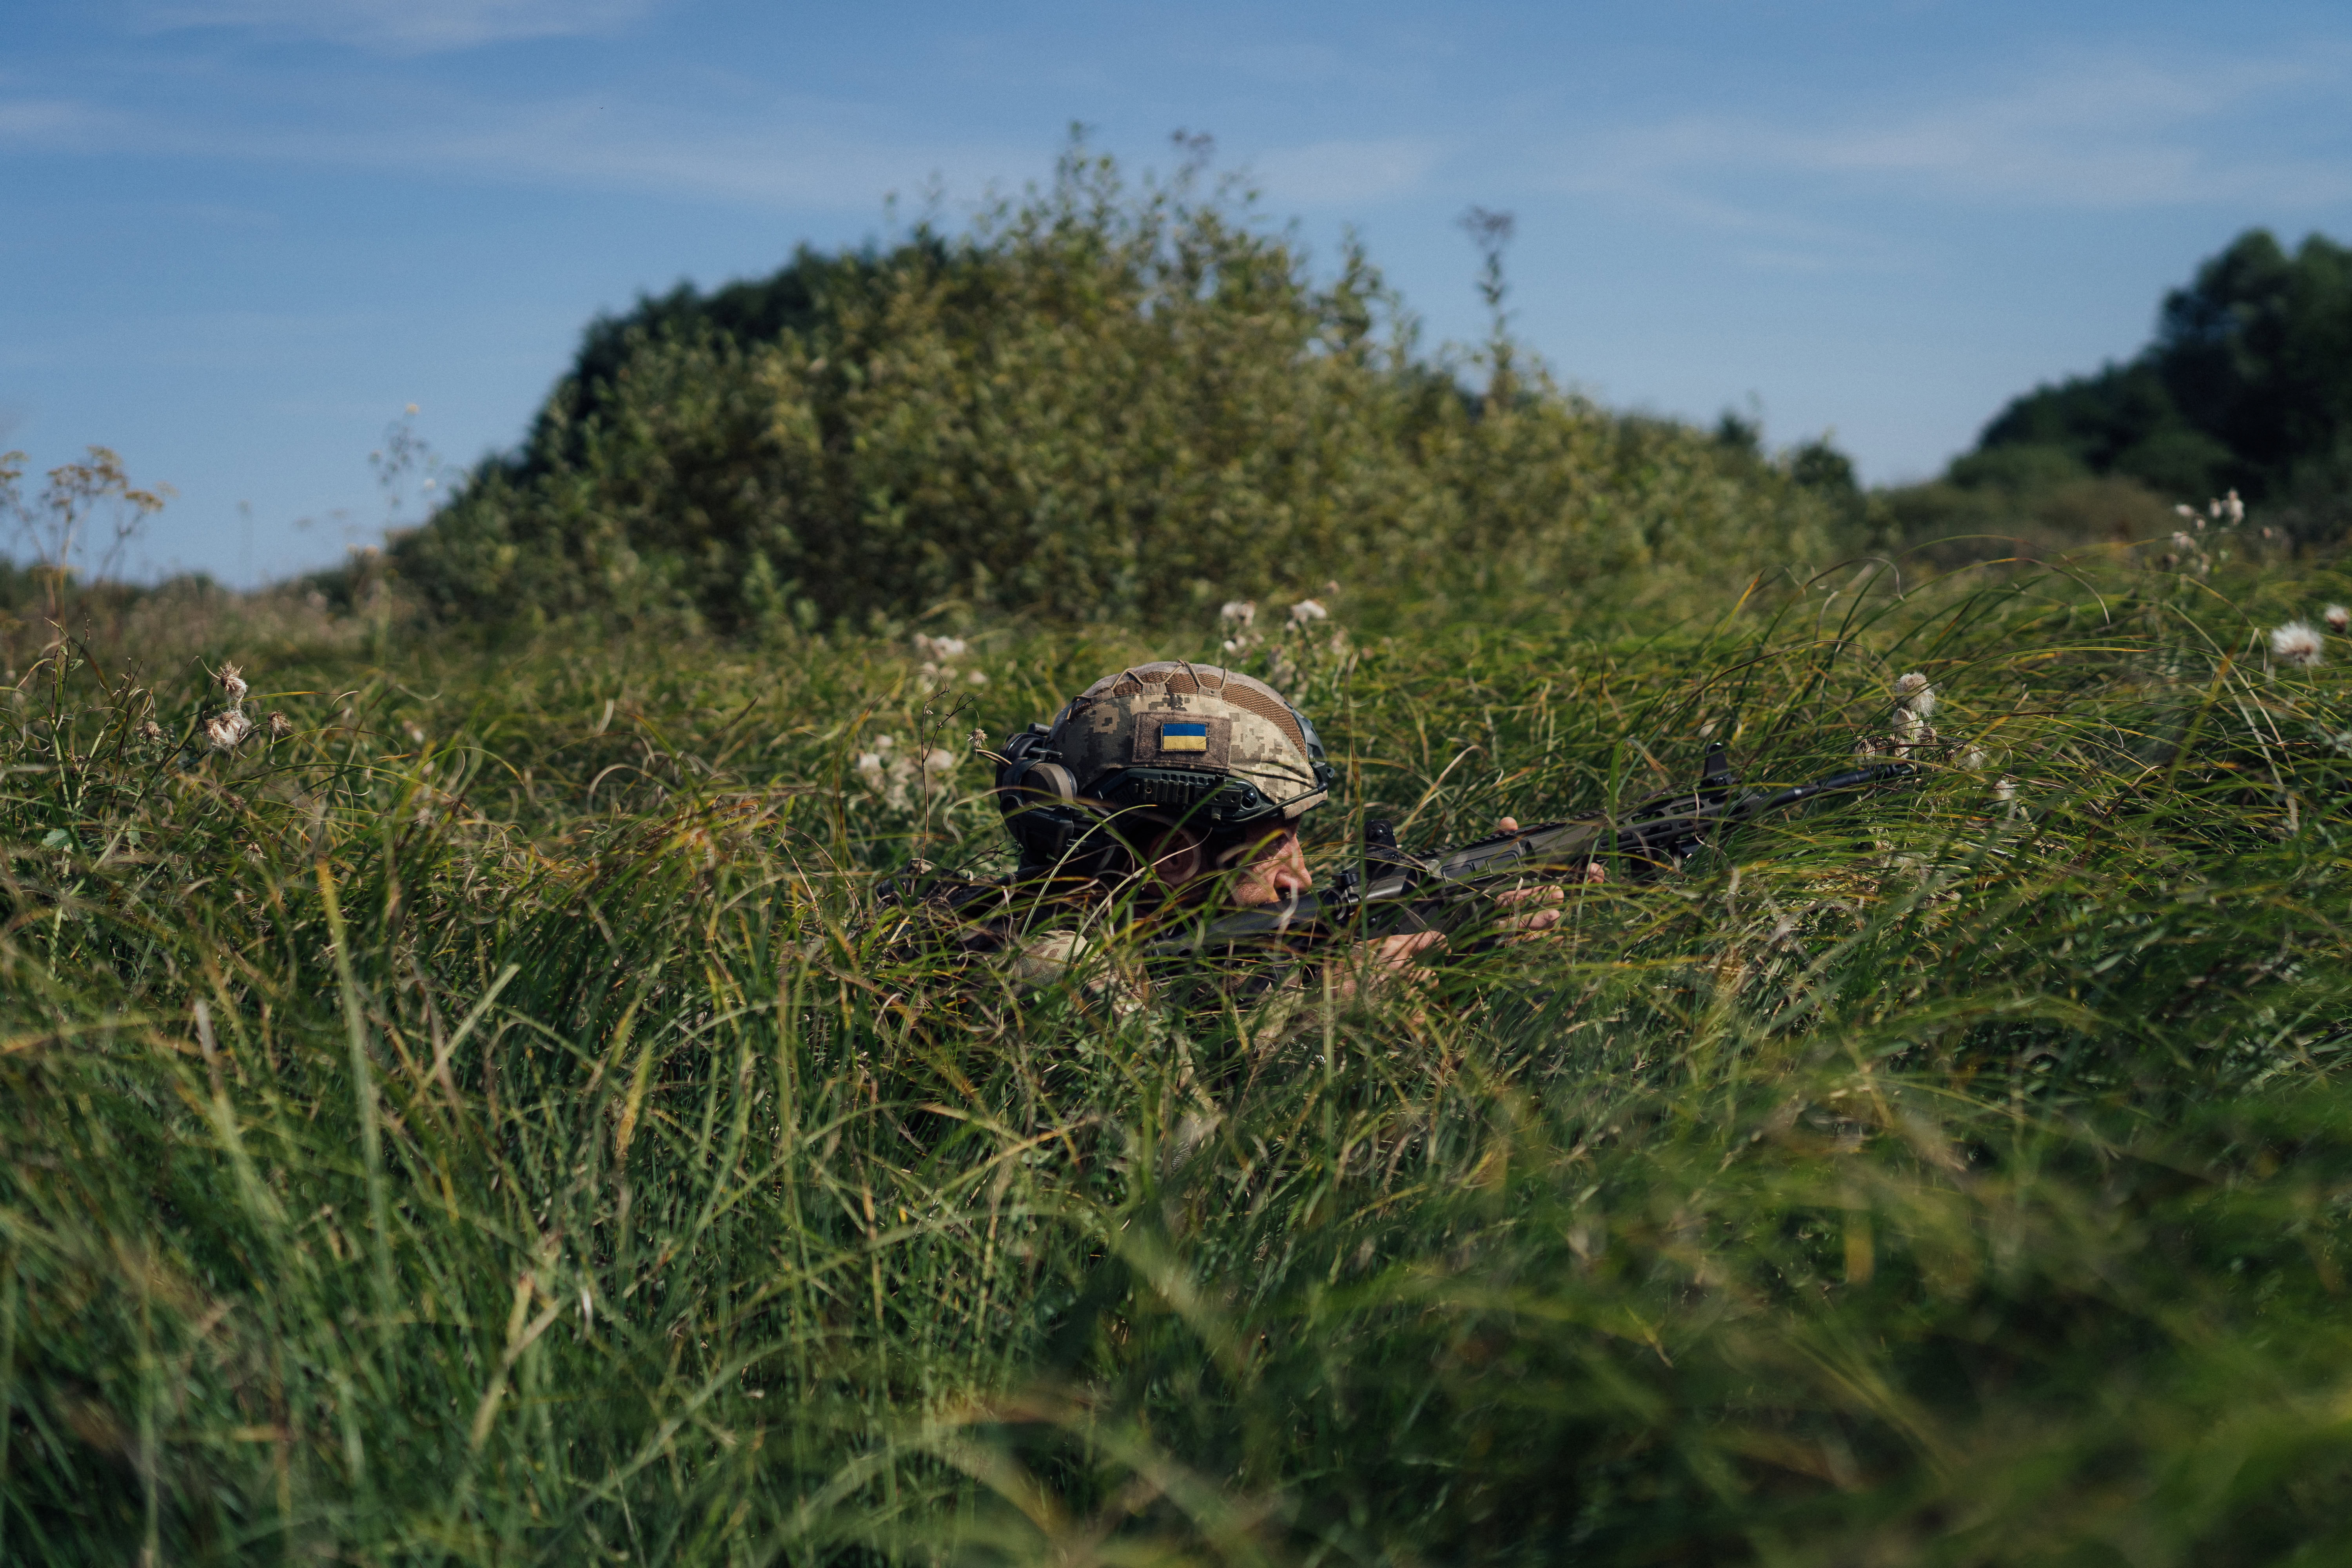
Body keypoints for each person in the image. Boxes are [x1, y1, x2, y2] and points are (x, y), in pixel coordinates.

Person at [887, 660, 1579, 1006]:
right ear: (1172, 854)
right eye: (1274, 840)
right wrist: (1332, 1018)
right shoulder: (1056, 968)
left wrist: (1462, 962)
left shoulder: (1164, 957)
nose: (1299, 878)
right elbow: (1194, 1171)